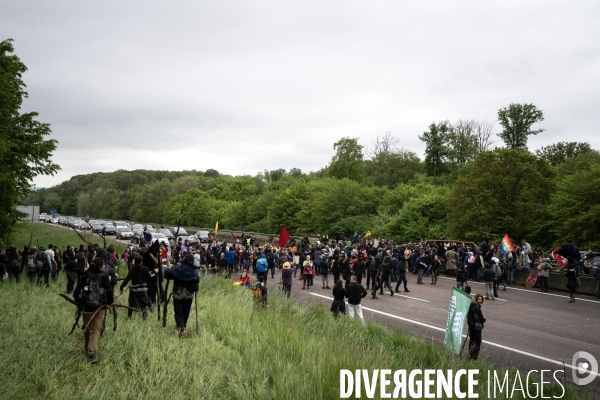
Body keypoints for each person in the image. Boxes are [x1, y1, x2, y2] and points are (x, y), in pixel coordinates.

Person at [73, 257, 114, 364]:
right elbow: (109, 292)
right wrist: (108, 304)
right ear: (100, 267)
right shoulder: (104, 278)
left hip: (86, 307)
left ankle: (86, 349)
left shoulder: (85, 277)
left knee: (87, 328)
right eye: (103, 265)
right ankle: (91, 354)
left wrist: (80, 303)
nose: (104, 267)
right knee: (96, 330)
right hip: (99, 308)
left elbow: (76, 292)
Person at [164, 254, 199, 337]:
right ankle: (182, 326)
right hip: (188, 295)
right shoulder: (193, 271)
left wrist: (169, 268)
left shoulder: (178, 269)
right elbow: (196, 281)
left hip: (178, 294)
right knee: (186, 312)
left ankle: (181, 328)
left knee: (178, 312)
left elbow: (167, 274)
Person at [119, 255, 153, 320]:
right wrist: (154, 273)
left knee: (131, 305)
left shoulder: (132, 269)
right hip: (143, 290)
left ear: (135, 261)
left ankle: (129, 317)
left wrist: (121, 287)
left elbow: (127, 279)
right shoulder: (145, 269)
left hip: (134, 290)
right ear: (141, 262)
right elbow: (149, 278)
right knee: (143, 306)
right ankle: (145, 319)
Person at [467, 294, 486, 360]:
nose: (480, 300)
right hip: (476, 327)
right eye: (479, 299)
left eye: (481, 299)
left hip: (471, 327)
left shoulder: (471, 306)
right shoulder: (476, 308)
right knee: (477, 343)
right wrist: (484, 319)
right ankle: (475, 357)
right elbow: (481, 319)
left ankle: (470, 355)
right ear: (476, 299)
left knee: (472, 341)